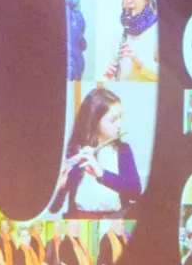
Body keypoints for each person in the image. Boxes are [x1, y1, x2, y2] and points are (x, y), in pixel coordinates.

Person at [57, 87, 140, 216]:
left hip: (114, 219)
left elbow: (135, 192)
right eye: (113, 119)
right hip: (79, 220)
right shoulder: (76, 150)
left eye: (120, 117)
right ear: (95, 121)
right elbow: (54, 208)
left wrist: (101, 174)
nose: (120, 125)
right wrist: (59, 187)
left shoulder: (123, 150)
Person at [103, 0, 158, 82]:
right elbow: (115, 74)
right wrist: (110, 76)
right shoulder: (118, 32)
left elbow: (168, 73)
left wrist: (140, 64)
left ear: (146, 0)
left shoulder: (157, 29)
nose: (129, 1)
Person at [64, 0, 87, 80]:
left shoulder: (78, 17)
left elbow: (82, 43)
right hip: (75, 65)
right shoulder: (78, 17)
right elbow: (83, 44)